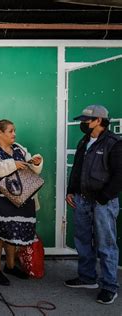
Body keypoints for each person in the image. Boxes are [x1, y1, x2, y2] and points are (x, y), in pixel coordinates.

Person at [0, 119, 43, 286]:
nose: (14, 134)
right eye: (11, 131)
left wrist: (36, 162)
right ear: (0, 133)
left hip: (21, 199)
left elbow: (32, 170)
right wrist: (13, 164)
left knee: (13, 235)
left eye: (14, 130)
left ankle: (10, 266)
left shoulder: (19, 149)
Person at [64, 105, 122, 305]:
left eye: (86, 120)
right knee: (82, 240)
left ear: (98, 121)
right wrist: (70, 190)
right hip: (82, 199)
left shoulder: (114, 143)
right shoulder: (85, 141)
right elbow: (78, 168)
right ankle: (87, 278)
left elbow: (119, 175)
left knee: (106, 245)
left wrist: (104, 197)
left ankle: (109, 286)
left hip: (102, 202)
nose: (83, 123)